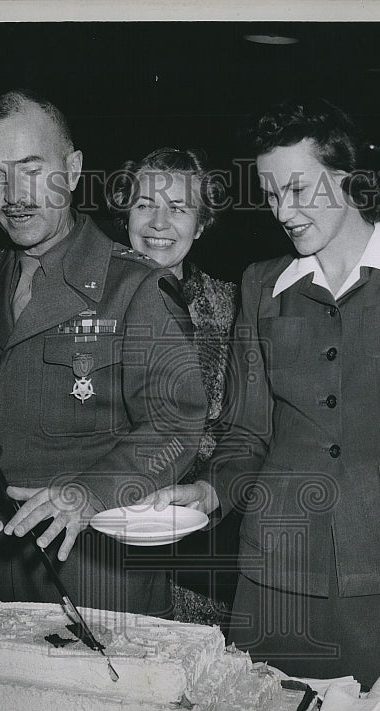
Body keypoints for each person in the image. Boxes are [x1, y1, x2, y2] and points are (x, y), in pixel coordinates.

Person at [147, 99, 380, 687]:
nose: (284, 211)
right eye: (273, 194)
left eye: (300, 190)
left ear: (346, 177)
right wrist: (212, 491)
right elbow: (247, 432)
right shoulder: (261, 283)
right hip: (271, 571)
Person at [0, 90, 207, 618]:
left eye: (31, 170)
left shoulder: (135, 286)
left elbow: (178, 426)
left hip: (96, 572)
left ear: (73, 169)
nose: (13, 195)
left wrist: (89, 493)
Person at [109, 147, 239, 626]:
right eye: (145, 205)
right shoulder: (85, 303)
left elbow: (242, 432)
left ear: (201, 225)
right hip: (103, 537)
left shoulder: (230, 308)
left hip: (199, 551)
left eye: (179, 209)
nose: (158, 222)